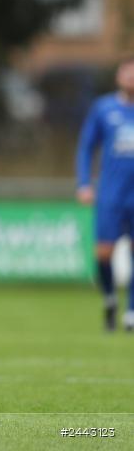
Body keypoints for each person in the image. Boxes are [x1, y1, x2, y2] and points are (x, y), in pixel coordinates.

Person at [76, 56, 134, 332]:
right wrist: (84, 183)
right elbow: (86, 147)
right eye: (128, 73)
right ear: (119, 77)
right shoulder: (104, 108)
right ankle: (111, 298)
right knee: (103, 254)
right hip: (111, 195)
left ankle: (131, 312)